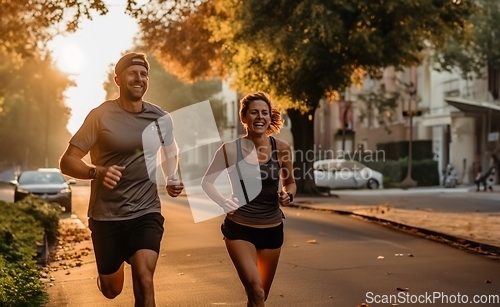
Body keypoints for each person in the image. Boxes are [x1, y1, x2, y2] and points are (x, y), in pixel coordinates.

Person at [59, 52, 184, 307]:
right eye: (133, 73)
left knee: (144, 277)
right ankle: (106, 277)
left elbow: (170, 150)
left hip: (145, 212)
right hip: (107, 217)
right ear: (118, 79)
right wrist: (96, 172)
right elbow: (67, 160)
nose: (139, 78)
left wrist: (172, 175)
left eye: (144, 74)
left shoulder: (160, 118)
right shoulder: (100, 115)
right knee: (111, 290)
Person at [201, 91, 296, 307]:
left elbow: (290, 182)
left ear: (270, 118)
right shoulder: (230, 150)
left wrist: (288, 194)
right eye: (254, 112)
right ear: (244, 118)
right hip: (240, 228)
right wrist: (222, 202)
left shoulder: (281, 148)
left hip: (272, 229)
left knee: (260, 296)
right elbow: (207, 182)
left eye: (264, 113)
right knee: (256, 289)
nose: (260, 117)